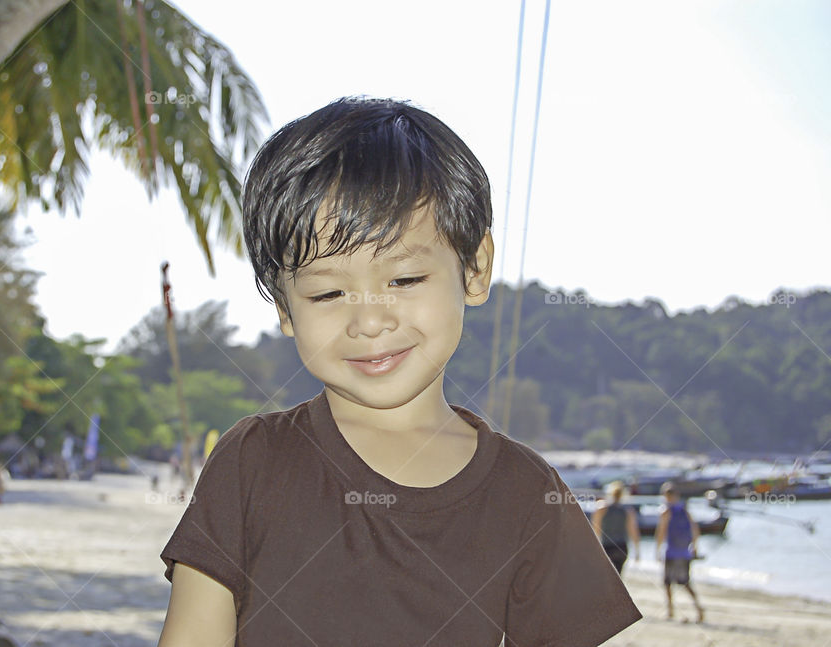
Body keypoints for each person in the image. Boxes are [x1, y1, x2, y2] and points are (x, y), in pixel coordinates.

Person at [157, 97, 642, 646]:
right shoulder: (251, 462)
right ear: (285, 310)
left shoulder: (530, 495)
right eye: (328, 292)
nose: (368, 320)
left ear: (475, 269)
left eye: (404, 280)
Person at [654, 481, 705, 623]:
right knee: (685, 583)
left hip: (671, 552)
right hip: (684, 552)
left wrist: (657, 549)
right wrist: (695, 546)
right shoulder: (684, 509)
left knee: (668, 582)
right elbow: (695, 529)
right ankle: (698, 608)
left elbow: (661, 531)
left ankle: (670, 611)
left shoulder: (666, 511)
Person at [591, 480, 640, 575]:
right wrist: (637, 551)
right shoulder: (627, 511)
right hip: (622, 547)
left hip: (607, 546)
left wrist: (595, 546)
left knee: (606, 577)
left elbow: (595, 528)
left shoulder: (602, 508)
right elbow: (633, 532)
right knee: (618, 576)